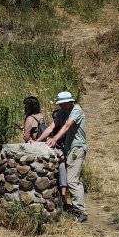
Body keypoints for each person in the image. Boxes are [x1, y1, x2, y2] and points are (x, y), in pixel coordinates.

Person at [42, 91, 87, 223]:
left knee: (72, 181)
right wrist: (37, 141)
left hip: (77, 148)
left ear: (70, 102)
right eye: (61, 104)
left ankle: (80, 212)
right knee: (74, 180)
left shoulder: (76, 110)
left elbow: (67, 126)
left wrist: (55, 139)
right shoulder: (61, 112)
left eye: (64, 104)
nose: (62, 106)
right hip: (68, 149)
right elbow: (51, 127)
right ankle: (78, 208)